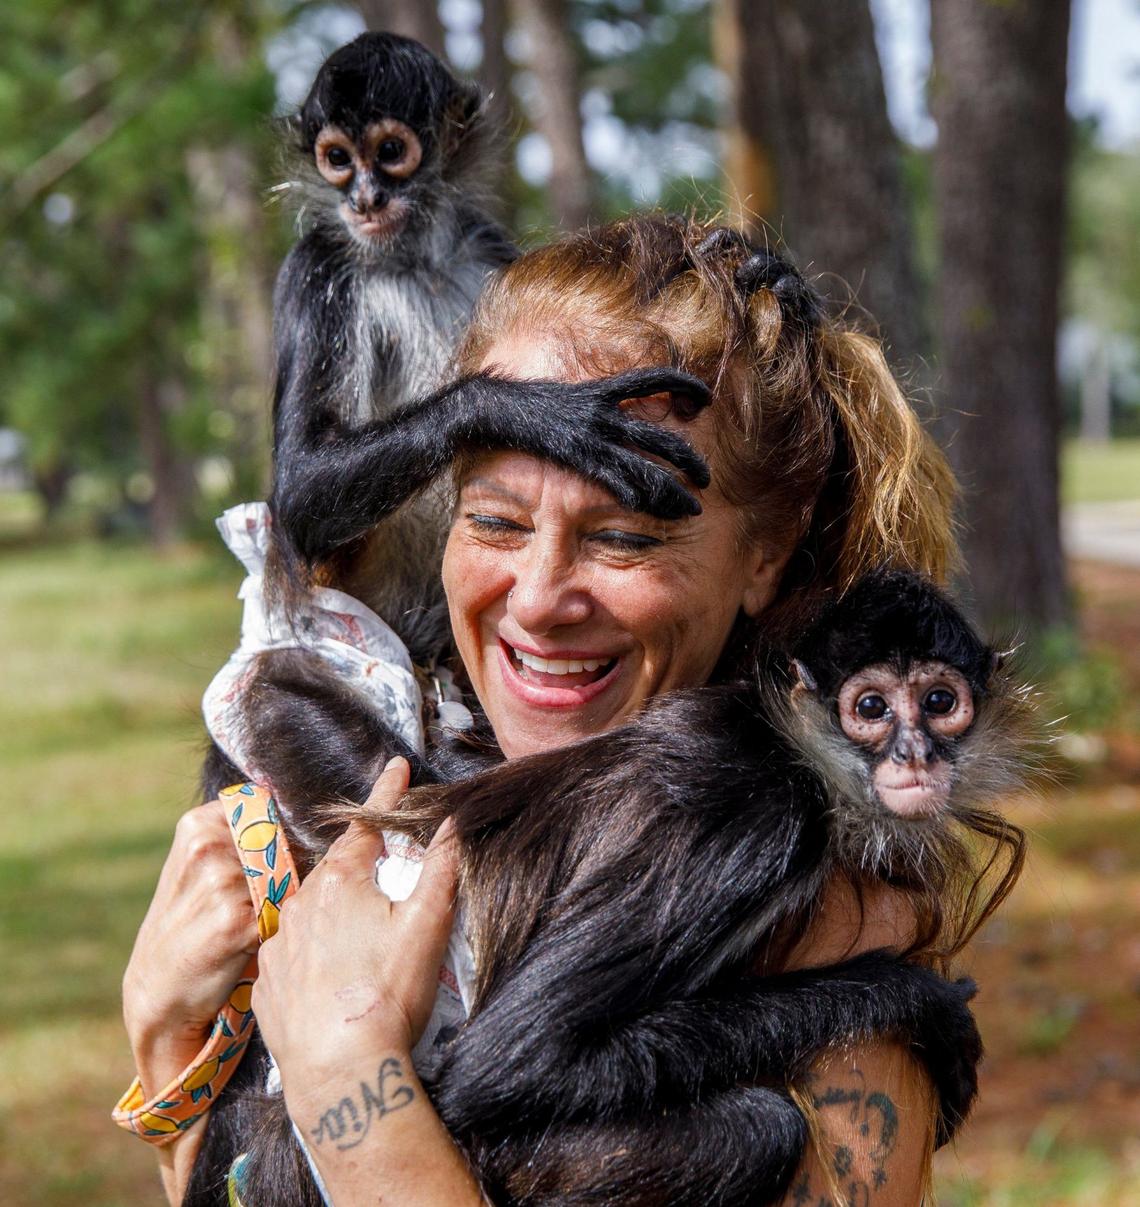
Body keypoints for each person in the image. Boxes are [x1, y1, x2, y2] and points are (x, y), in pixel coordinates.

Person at [122, 215, 975, 1206]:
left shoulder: (817, 929)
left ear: (766, 554)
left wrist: (349, 1076)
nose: (535, 597)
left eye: (621, 536)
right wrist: (168, 1038)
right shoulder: (381, 782)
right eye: (494, 518)